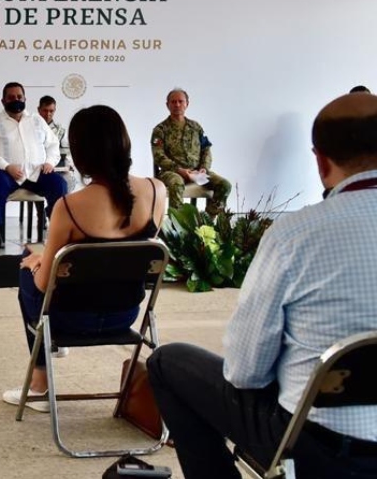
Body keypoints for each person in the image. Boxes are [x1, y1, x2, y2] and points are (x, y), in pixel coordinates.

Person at [147, 93, 377, 479]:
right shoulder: (162, 131)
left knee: (166, 364)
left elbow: (245, 372)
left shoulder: (294, 235)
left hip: (318, 445)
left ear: (320, 161)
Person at [3, 105, 166, 410]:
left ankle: (41, 386)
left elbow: (42, 285)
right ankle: (47, 358)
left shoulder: (69, 206)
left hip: (71, 320)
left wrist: (41, 261)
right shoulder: (157, 192)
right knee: (42, 266)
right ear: (124, 142)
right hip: (125, 314)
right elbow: (127, 253)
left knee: (27, 273)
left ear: (80, 155)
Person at [0, 82, 67, 248]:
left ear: (25, 98)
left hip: (37, 172)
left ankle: (58, 228)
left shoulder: (37, 120)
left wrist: (50, 162)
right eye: (11, 97)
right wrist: (7, 166)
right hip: (7, 174)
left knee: (59, 184)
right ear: (3, 101)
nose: (16, 100)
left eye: (19, 97)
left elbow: (53, 144)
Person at [151, 88, 232, 215]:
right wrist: (179, 170)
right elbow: (158, 156)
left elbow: (206, 149)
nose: (177, 104)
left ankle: (207, 222)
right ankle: (178, 225)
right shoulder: (160, 129)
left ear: (187, 104)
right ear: (167, 105)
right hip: (172, 172)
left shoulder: (196, 127)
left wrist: (204, 168)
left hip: (197, 172)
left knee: (225, 185)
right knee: (176, 183)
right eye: (173, 102)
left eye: (180, 101)